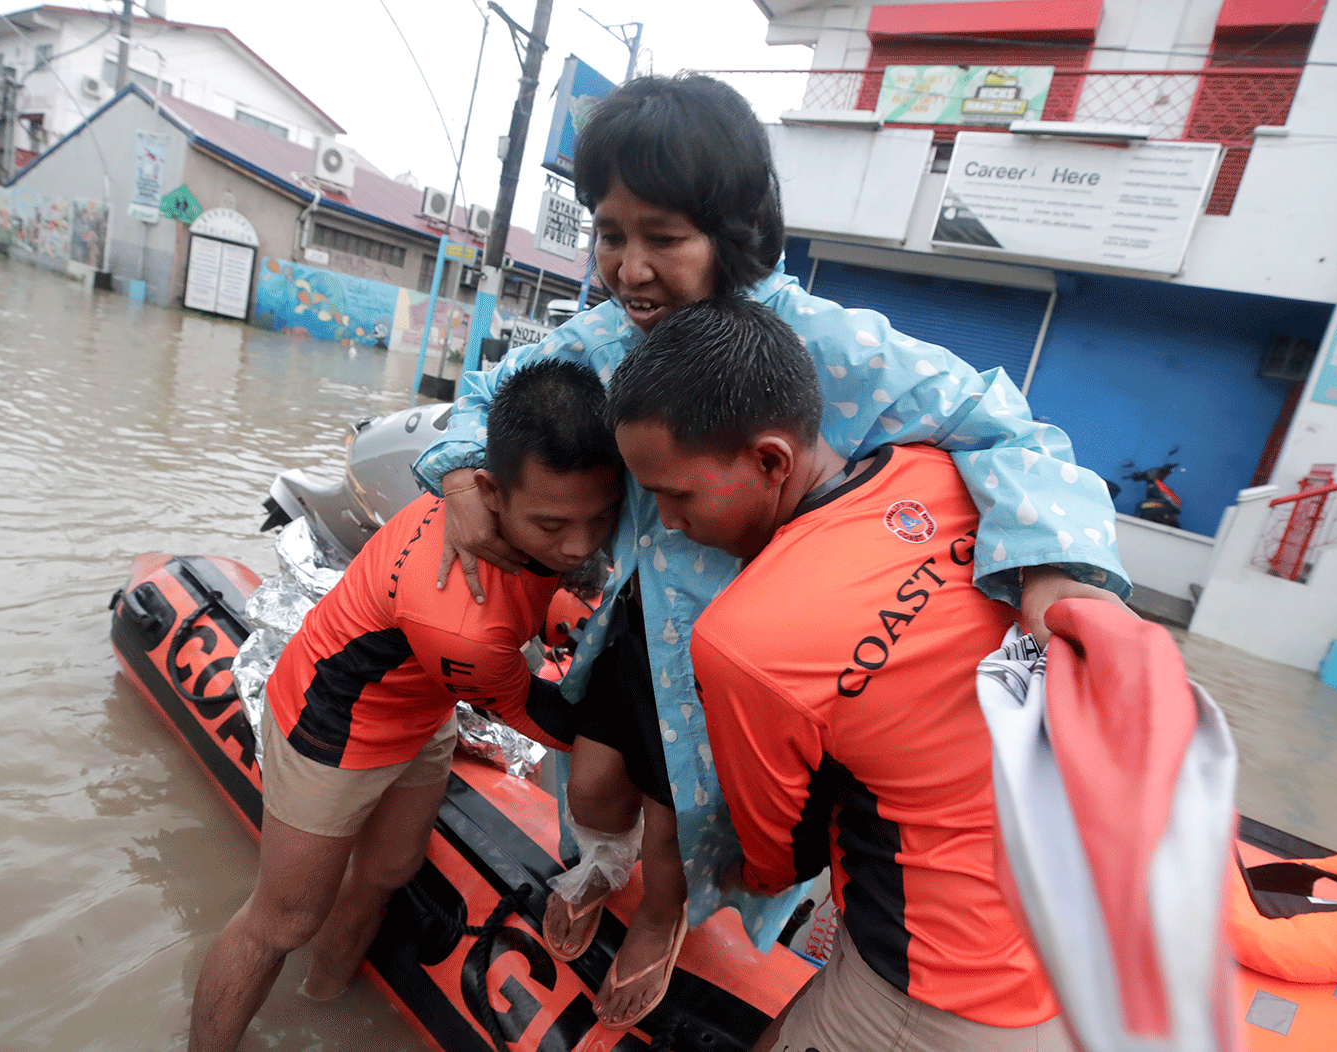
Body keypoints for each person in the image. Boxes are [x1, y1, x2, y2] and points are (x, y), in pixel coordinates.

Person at [411, 73, 1130, 1030]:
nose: (628, 270)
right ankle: (603, 865)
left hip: (756, 667)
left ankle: (662, 920)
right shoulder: (599, 338)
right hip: (638, 622)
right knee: (591, 785)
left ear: (736, 229)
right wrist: (464, 477)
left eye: (662, 238)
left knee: (683, 824)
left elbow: (1004, 428)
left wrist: (1052, 568)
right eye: (611, 234)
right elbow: (484, 399)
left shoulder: (827, 347)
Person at [608, 296, 1083, 1052]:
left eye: (675, 494)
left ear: (771, 459)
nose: (666, 522)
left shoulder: (744, 642)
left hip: (952, 974)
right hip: (1091, 907)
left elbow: (777, 855)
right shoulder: (943, 470)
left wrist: (735, 871)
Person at [187, 360, 622, 1052]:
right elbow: (547, 721)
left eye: (600, 518)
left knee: (388, 873)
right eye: (551, 525)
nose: (579, 546)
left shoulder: (481, 488)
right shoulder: (464, 620)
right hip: (331, 723)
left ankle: (320, 1004)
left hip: (425, 707)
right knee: (282, 922)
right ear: (487, 492)